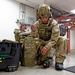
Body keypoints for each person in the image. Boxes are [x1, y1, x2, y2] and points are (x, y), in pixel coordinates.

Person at [31, 4, 67, 70]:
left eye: (45, 17)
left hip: (51, 42)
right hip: (42, 42)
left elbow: (54, 38)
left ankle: (59, 62)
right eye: (42, 17)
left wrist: (47, 47)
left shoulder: (54, 23)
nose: (44, 19)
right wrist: (33, 31)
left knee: (63, 39)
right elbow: (34, 37)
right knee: (40, 62)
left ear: (49, 16)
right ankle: (39, 58)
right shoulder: (37, 23)